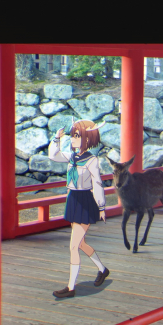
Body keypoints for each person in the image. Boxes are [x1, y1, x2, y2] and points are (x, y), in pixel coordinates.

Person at [49, 119, 110, 298]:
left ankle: (71, 287)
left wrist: (101, 206)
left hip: (85, 200)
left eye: (77, 135)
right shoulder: (72, 157)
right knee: (80, 243)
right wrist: (56, 138)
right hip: (73, 199)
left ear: (87, 139)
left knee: (74, 246)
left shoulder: (92, 160)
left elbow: (97, 184)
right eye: (72, 135)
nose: (72, 139)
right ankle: (102, 269)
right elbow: (53, 156)